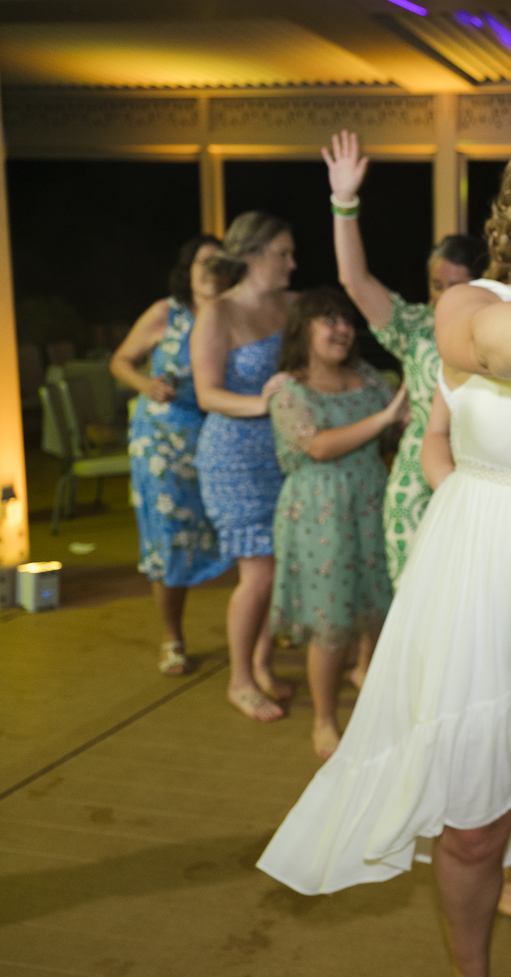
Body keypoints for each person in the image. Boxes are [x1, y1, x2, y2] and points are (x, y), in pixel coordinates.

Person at [258, 137, 511, 977]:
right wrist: (462, 507)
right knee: (473, 832)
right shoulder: (469, 302)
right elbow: (482, 352)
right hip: (479, 578)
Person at [323, 129, 487, 588]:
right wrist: (344, 200)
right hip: (416, 479)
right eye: (438, 285)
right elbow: (354, 281)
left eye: (459, 286)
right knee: (415, 597)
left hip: (481, 465)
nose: (446, 296)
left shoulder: (499, 332)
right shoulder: (415, 325)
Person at [268, 288, 409, 760]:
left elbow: (400, 426)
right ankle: (325, 720)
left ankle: (366, 673)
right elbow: (320, 446)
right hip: (318, 513)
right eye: (328, 320)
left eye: (346, 321)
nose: (342, 329)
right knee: (331, 622)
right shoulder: (288, 391)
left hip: (371, 500)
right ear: (303, 330)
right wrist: (387, 415)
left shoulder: (368, 378)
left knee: (377, 604)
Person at [111, 235, 234, 675]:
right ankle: (172, 637)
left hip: (215, 430)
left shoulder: (232, 315)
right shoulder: (166, 313)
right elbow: (121, 360)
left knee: (237, 525)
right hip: (160, 437)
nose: (210, 271)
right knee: (166, 533)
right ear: (188, 268)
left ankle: (261, 621)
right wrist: (145, 384)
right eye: (203, 262)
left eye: (219, 264)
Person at [191, 211, 296, 723]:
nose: (292, 264)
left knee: (276, 569)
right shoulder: (218, 313)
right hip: (233, 453)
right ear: (253, 256)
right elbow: (207, 394)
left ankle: (262, 664)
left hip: (279, 452)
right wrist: (263, 402)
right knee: (256, 574)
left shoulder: (288, 305)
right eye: (283, 253)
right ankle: (239, 680)